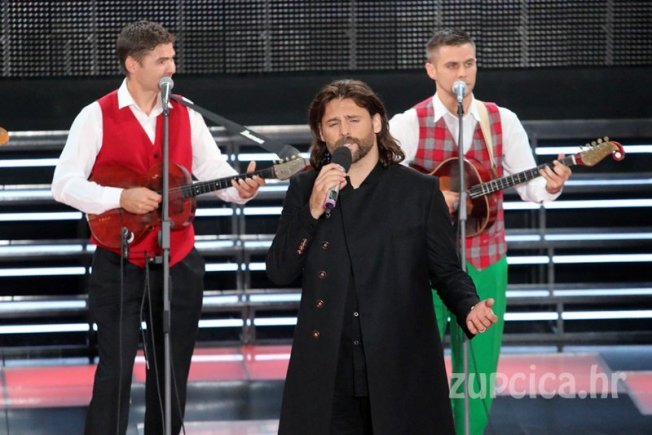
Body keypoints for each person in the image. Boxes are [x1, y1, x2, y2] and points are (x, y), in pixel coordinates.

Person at [51, 20, 264, 435]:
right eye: (162, 60)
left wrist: (242, 189)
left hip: (178, 259)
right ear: (132, 64)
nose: (172, 68)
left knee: (171, 373)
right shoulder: (95, 116)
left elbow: (213, 171)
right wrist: (120, 198)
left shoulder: (186, 113)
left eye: (172, 58)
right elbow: (63, 184)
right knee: (115, 372)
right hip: (119, 260)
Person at [266, 78, 498, 435]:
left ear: (376, 122)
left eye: (353, 119)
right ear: (322, 134)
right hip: (328, 369)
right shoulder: (304, 188)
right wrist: (311, 211)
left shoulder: (418, 191)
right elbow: (280, 271)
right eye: (333, 123)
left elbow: (446, 270)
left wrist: (468, 306)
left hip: (400, 363)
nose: (345, 131)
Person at [389, 28, 572, 435]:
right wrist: (428, 200)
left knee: (478, 371)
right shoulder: (407, 124)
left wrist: (552, 185)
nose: (462, 74)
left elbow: (531, 187)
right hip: (423, 265)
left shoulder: (501, 120)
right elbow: (382, 187)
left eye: (469, 64)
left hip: (485, 259)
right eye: (452, 65)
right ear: (431, 69)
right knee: (412, 365)